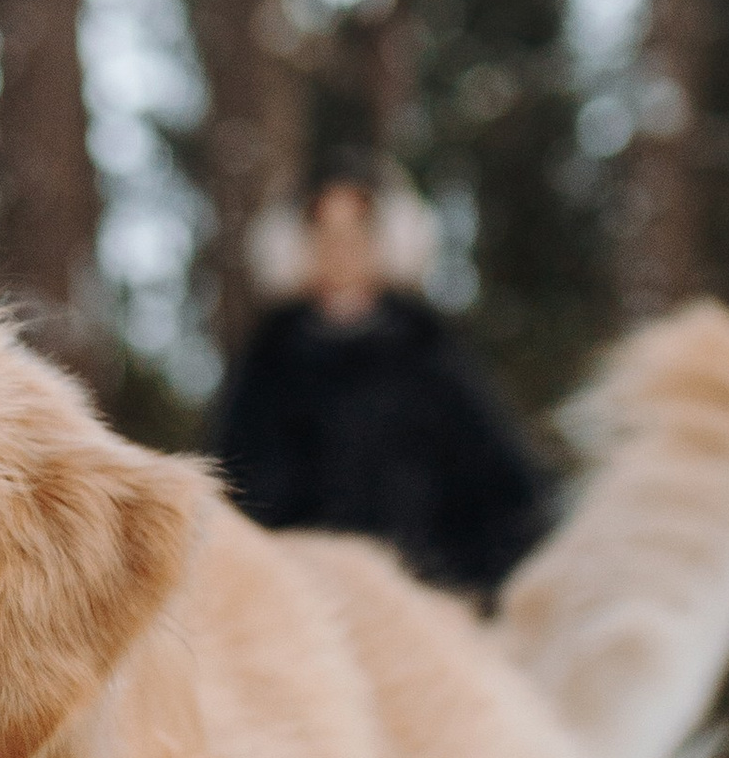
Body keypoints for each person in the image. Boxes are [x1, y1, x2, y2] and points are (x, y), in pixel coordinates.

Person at [211, 164, 557, 602]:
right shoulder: (267, 364)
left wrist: (468, 592)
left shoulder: (430, 354)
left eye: (357, 230)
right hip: (308, 614)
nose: (341, 249)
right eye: (325, 232)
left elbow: (511, 496)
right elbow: (234, 503)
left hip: (424, 611)